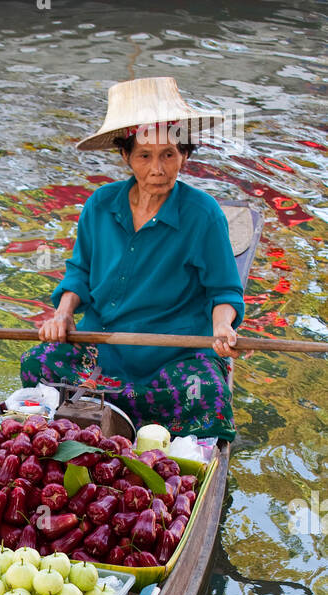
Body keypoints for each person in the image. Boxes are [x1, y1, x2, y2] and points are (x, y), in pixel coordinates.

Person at [20, 78, 246, 440]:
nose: (158, 168)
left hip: (173, 353)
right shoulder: (100, 205)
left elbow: (224, 292)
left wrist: (222, 327)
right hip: (103, 347)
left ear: (184, 155)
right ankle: (100, 424)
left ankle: (149, 436)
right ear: (126, 156)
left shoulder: (204, 214)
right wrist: (62, 314)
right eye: (145, 156)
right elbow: (79, 273)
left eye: (168, 155)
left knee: (206, 394)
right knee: (38, 364)